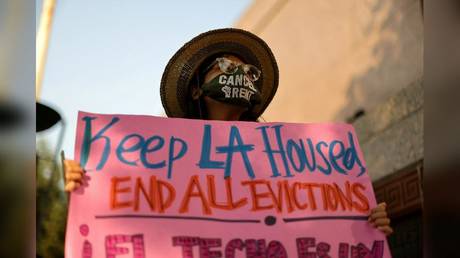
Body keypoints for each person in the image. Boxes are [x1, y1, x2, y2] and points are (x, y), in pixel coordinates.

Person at [64, 28, 393, 236]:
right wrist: (88, 185)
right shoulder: (157, 158)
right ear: (196, 89)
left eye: (248, 71)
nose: (240, 74)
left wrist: (364, 224)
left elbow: (314, 226)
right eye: (225, 66)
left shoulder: (288, 162)